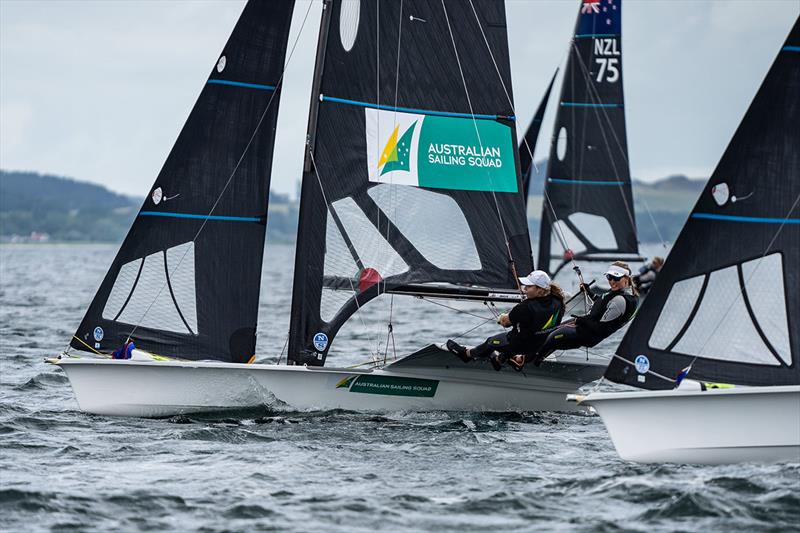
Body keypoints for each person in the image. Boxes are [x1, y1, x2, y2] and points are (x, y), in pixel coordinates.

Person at [511, 261, 638, 369]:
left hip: (587, 334)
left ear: (626, 278)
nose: (612, 282)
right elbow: (603, 306)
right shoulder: (620, 294)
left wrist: (582, 321)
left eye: (616, 278)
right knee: (549, 331)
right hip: (585, 328)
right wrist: (589, 293)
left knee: (551, 337)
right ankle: (534, 357)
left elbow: (601, 329)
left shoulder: (621, 301)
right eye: (609, 277)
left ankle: (526, 361)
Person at [446, 270, 565, 371]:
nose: (524, 289)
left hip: (522, 346)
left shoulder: (525, 307)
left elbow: (505, 323)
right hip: (541, 346)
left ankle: (466, 354)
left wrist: (501, 317)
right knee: (522, 337)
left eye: (528, 287)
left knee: (491, 342)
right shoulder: (558, 302)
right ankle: (501, 359)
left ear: (539, 289)